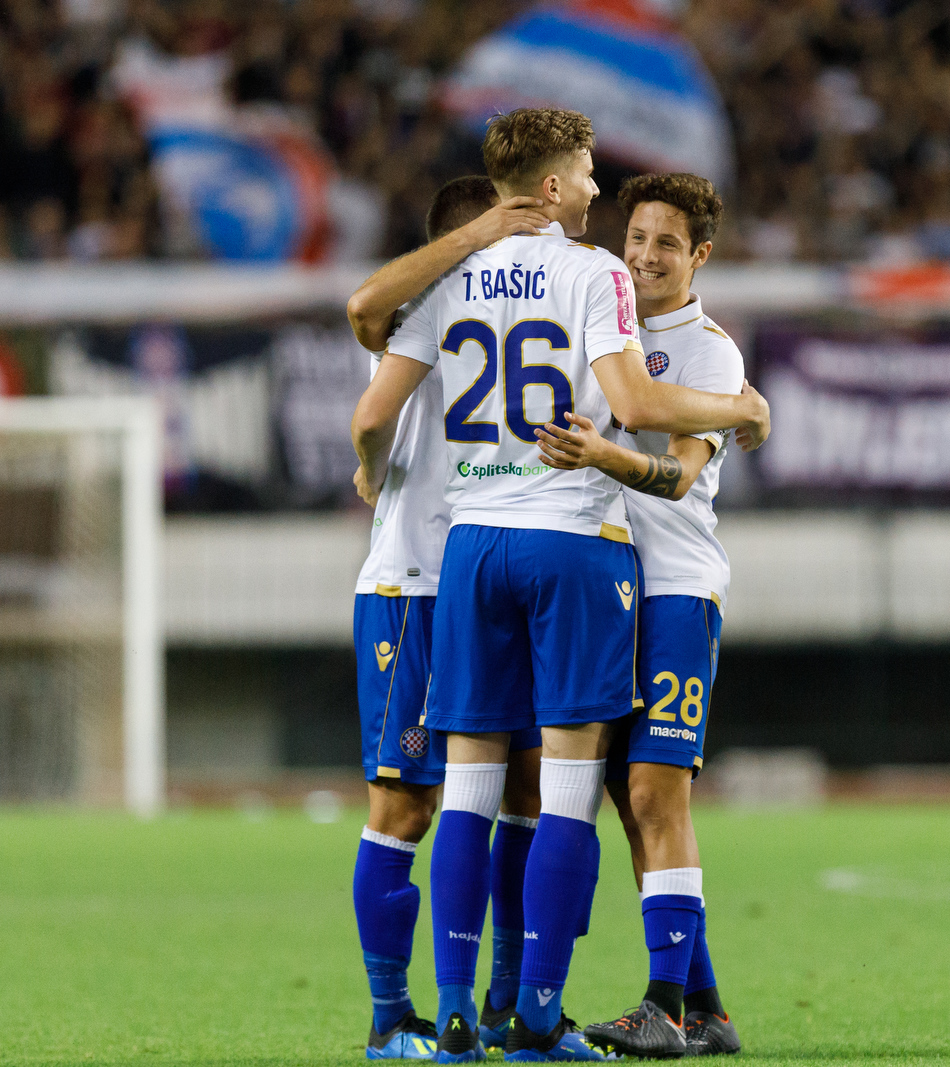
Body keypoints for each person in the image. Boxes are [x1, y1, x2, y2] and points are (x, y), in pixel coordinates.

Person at [352, 106, 770, 1064]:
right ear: (553, 186)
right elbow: (629, 405)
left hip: (468, 544)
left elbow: (374, 352)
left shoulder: (451, 274)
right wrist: (742, 409)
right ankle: (537, 1012)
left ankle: (454, 1011)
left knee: (469, 790)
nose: (597, 191)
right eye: (587, 176)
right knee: (568, 792)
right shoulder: (595, 275)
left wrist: (368, 458)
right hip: (572, 542)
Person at [528, 173, 744, 1059]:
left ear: (698, 256)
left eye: (666, 243)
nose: (646, 254)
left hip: (675, 589)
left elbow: (681, 475)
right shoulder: (599, 319)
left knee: (658, 789)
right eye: (637, 237)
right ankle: (708, 1008)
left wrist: (605, 454)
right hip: (605, 584)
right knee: (628, 797)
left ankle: (663, 1003)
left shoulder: (710, 355)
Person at [347, 175, 547, 1061]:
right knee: (405, 804)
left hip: (490, 577)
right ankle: (393, 1017)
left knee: (523, 792)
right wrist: (370, 463)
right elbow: (362, 320)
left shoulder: (531, 302)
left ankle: (503, 1005)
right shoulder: (423, 308)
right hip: (415, 585)